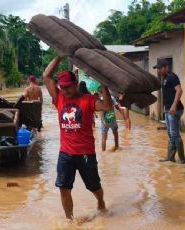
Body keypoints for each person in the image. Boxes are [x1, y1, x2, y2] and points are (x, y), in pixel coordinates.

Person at [43, 56, 112, 220]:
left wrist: (105, 86)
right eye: (63, 87)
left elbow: (108, 107)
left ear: (75, 84)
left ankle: (101, 201)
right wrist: (59, 56)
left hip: (86, 153)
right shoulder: (58, 98)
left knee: (94, 186)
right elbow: (46, 76)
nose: (66, 90)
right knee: (63, 188)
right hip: (65, 153)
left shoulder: (88, 100)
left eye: (69, 86)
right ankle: (70, 219)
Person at [154, 59, 185, 164]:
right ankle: (170, 157)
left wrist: (173, 106)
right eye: (157, 68)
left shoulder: (172, 76)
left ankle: (182, 159)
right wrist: (165, 108)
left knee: (174, 133)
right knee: (170, 133)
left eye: (160, 68)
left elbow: (179, 90)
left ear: (166, 67)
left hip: (175, 109)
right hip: (168, 109)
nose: (158, 70)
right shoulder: (165, 78)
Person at [98, 87, 119, 152]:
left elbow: (101, 112)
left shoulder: (100, 100)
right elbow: (117, 107)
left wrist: (103, 121)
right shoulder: (112, 98)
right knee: (115, 135)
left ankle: (103, 152)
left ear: (100, 93)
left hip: (105, 121)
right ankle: (116, 147)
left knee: (104, 138)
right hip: (113, 119)